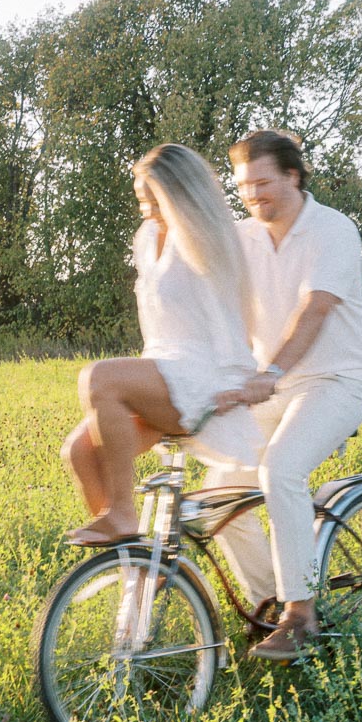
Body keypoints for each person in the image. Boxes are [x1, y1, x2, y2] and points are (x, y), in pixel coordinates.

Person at [212, 129, 362, 660]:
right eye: (243, 186)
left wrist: (272, 369)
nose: (253, 194)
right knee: (218, 496)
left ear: (293, 176)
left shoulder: (333, 229)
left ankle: (300, 614)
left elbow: (315, 309)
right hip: (272, 387)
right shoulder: (243, 237)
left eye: (263, 182)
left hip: (336, 381)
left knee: (279, 469)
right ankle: (268, 604)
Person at [61, 143, 262, 547]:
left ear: (179, 194)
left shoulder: (205, 240)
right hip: (162, 369)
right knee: (79, 452)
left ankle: (122, 514)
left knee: (99, 377)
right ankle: (132, 564)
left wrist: (238, 382)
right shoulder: (146, 236)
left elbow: (229, 317)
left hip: (201, 379)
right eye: (141, 199)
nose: (146, 208)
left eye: (153, 199)